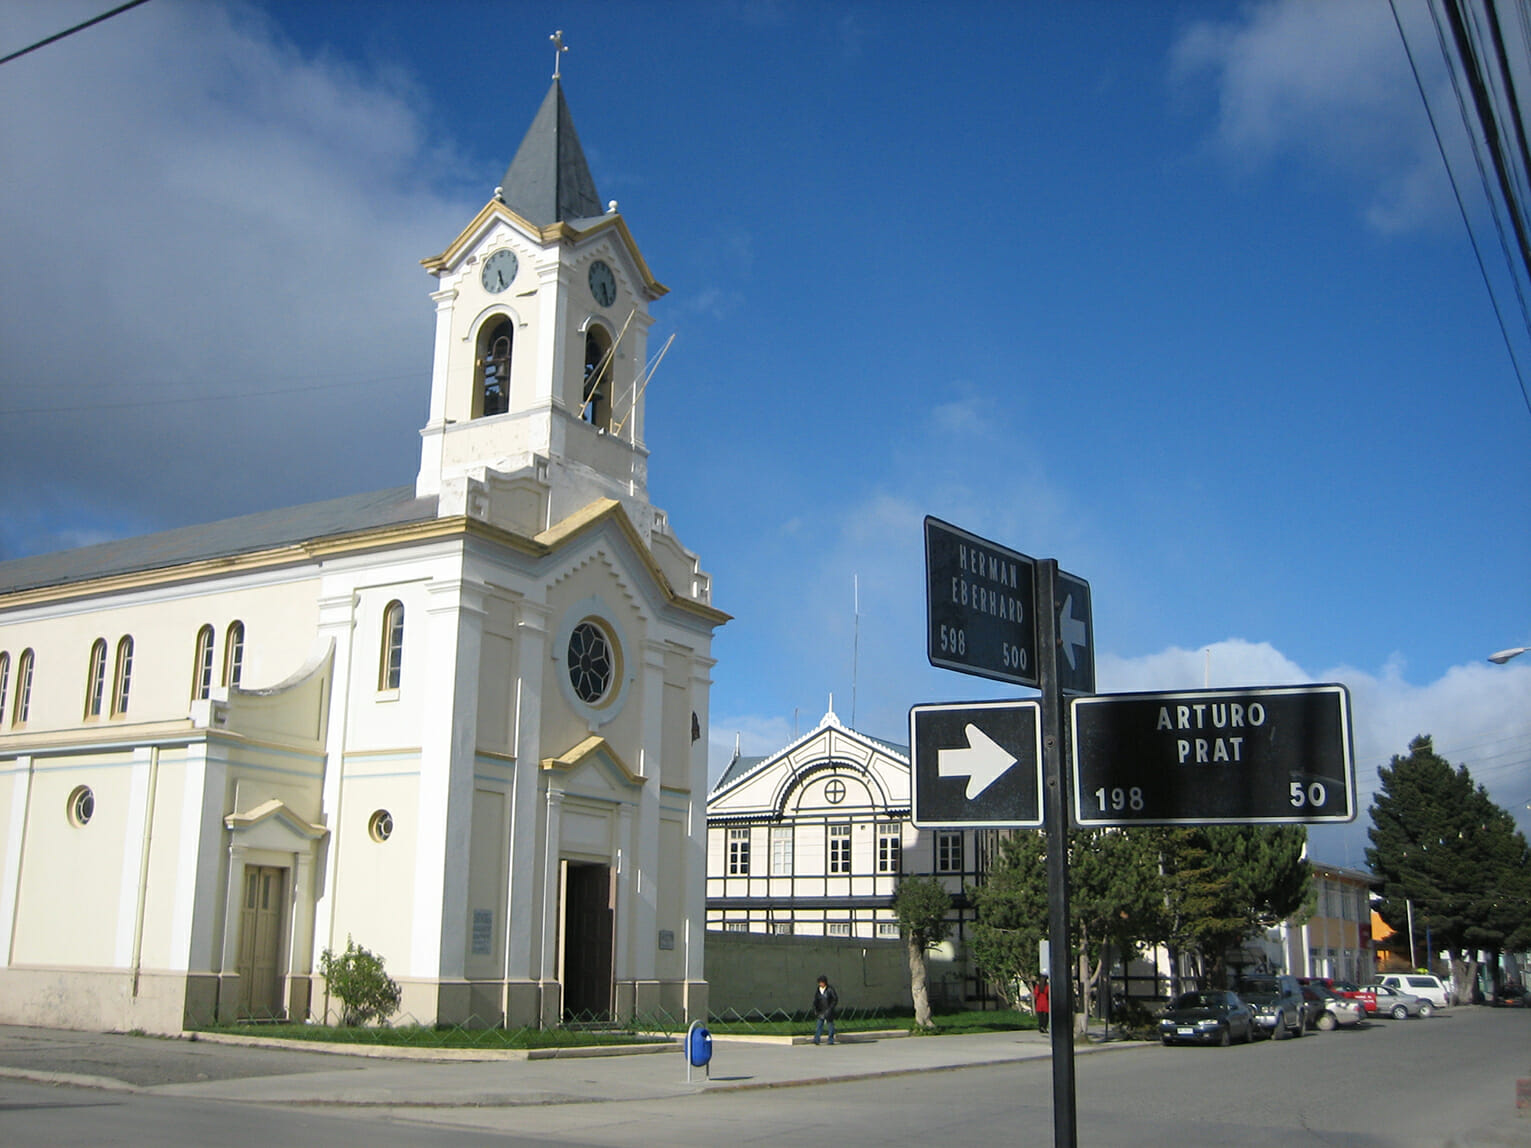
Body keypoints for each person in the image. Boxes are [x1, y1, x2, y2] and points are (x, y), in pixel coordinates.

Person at [812, 975, 838, 1045]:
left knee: (830, 1026)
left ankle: (830, 1040)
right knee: (819, 1025)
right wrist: (815, 1009)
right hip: (820, 1011)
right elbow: (816, 1000)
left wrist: (830, 1008)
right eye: (819, 982)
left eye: (822, 982)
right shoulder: (818, 990)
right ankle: (816, 1039)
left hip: (828, 1010)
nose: (820, 984)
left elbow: (834, 999)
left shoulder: (830, 989)